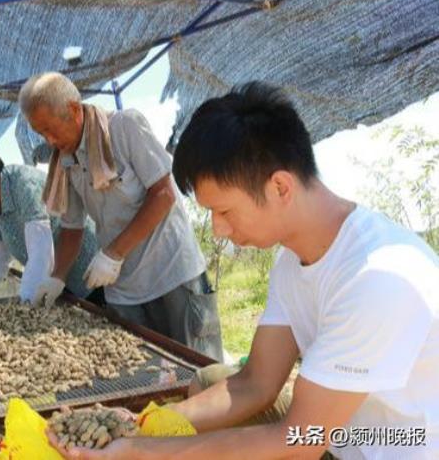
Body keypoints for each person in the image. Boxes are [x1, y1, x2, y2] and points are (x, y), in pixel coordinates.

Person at [48, 82, 439, 459]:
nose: (217, 230)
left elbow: (300, 444)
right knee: (210, 381)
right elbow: (256, 383)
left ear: (280, 188)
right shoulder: (292, 262)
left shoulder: (376, 278)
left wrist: (144, 452)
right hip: (340, 434)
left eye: (224, 211)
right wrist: (143, 424)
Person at [18, 72, 221, 360]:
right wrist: (57, 278)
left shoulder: (125, 128)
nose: (49, 141)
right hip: (124, 289)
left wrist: (113, 253)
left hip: (171, 274)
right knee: (142, 370)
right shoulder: (66, 161)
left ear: (74, 110)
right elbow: (72, 228)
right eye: (41, 134)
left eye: (50, 129)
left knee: (196, 368)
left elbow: (163, 194)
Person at [0, 129, 104, 305]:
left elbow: (41, 253)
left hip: (94, 275)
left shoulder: (24, 185)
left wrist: (25, 301)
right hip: (59, 286)